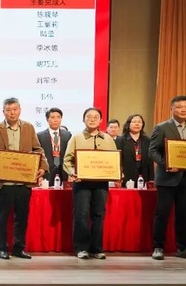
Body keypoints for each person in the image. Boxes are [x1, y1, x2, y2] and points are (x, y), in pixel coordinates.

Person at [0, 98, 47, 260]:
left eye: (15, 109)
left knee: (22, 218)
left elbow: (38, 149)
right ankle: (2, 248)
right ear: (3, 112)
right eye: (8, 110)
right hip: (4, 182)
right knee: (2, 218)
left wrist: (42, 167)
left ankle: (19, 248)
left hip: (24, 181)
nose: (12, 113)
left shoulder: (28, 127)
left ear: (20, 110)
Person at [149, 95, 186, 261]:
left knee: (183, 214)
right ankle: (158, 247)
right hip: (167, 179)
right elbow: (152, 151)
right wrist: (166, 164)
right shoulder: (161, 128)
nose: (183, 110)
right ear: (172, 108)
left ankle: (183, 248)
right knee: (162, 214)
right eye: (179, 107)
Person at [63, 107, 117, 260]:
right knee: (81, 215)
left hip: (101, 183)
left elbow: (114, 160)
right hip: (82, 183)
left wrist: (117, 172)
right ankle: (81, 248)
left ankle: (97, 249)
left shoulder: (108, 139)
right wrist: (72, 172)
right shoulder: (76, 137)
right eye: (89, 117)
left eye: (95, 117)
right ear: (83, 119)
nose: (92, 119)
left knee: (98, 215)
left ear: (101, 120)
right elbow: (67, 159)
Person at [37, 108, 72, 187]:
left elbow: (70, 154)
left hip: (63, 171)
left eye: (58, 117)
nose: (56, 120)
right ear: (47, 119)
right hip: (47, 171)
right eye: (52, 117)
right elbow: (38, 156)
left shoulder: (67, 135)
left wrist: (70, 173)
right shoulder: (40, 136)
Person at [115, 114, 153, 184]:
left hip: (143, 177)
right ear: (128, 124)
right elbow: (117, 160)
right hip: (126, 176)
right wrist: (119, 174)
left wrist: (151, 178)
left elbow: (150, 161)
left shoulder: (147, 140)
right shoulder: (120, 140)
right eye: (134, 122)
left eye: (139, 122)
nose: (137, 124)